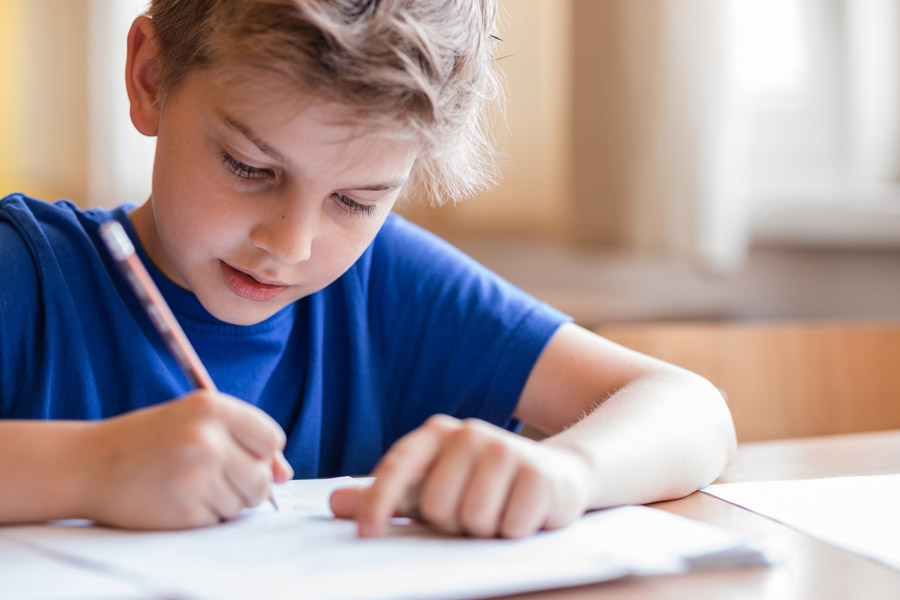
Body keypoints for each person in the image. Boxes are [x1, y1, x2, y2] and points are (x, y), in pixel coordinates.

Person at [0, 0, 736, 538]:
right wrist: (88, 467)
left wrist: (568, 472)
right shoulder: (25, 272)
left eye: (355, 200)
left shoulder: (382, 286)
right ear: (151, 76)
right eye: (250, 167)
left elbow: (691, 410)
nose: (290, 244)